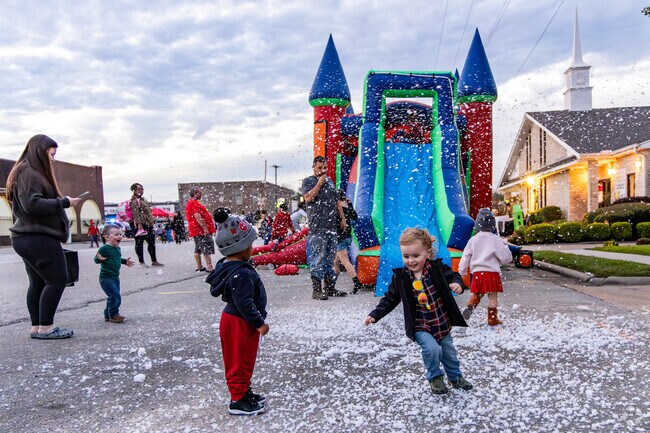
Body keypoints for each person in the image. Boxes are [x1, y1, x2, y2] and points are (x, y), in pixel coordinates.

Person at [364, 228, 473, 395]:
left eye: (416, 256)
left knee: (449, 353)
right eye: (406, 256)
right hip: (421, 325)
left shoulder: (437, 268)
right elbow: (390, 299)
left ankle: (455, 377)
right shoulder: (401, 277)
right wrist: (375, 314)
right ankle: (435, 377)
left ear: (428, 253)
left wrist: (457, 284)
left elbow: (454, 276)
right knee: (432, 350)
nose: (411, 261)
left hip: (442, 322)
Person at [6, 134, 81, 340]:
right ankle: (47, 327)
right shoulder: (29, 173)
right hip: (38, 237)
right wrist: (64, 202)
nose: (53, 159)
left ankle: (37, 326)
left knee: (38, 283)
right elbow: (33, 204)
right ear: (40, 151)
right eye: (51, 155)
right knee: (57, 279)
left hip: (27, 238)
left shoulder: (24, 172)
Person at [206, 208, 268, 416]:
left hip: (240, 322)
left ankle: (243, 391)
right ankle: (237, 400)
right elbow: (244, 303)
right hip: (239, 322)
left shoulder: (235, 267)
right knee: (238, 360)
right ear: (241, 247)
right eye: (250, 244)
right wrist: (259, 323)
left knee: (245, 359)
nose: (252, 248)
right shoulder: (239, 273)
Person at [302, 156, 347, 300]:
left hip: (331, 226)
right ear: (314, 167)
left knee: (329, 259)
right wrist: (319, 184)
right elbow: (308, 198)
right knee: (317, 258)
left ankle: (330, 288)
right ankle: (316, 290)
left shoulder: (330, 182)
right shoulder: (309, 181)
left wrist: (342, 217)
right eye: (319, 168)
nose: (322, 171)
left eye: (324, 168)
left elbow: (336, 201)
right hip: (317, 226)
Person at [458, 208, 513, 326]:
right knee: (492, 296)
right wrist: (506, 250)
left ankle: (470, 305)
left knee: (478, 293)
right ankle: (492, 319)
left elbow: (466, 256)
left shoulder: (473, 240)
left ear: (477, 225)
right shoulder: (496, 239)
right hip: (492, 273)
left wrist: (462, 271)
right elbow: (506, 258)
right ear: (492, 224)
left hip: (478, 273)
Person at [94, 225, 135, 323]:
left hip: (115, 277)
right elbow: (96, 259)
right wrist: (98, 258)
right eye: (116, 234)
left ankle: (107, 315)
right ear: (107, 237)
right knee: (115, 295)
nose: (120, 236)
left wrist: (125, 261)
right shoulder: (104, 249)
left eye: (120, 234)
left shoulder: (117, 248)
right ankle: (113, 314)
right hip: (106, 278)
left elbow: (117, 259)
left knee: (113, 296)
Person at [333, 189, 370, 294]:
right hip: (347, 237)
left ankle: (357, 282)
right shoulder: (347, 206)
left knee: (345, 261)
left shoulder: (336, 208)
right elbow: (355, 217)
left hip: (340, 238)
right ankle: (331, 284)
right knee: (336, 262)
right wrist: (350, 205)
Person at [129, 183, 163, 268]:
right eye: (139, 189)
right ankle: (141, 262)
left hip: (148, 224)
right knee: (139, 243)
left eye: (142, 189)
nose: (141, 190)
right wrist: (139, 223)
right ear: (134, 190)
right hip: (140, 225)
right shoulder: (134, 201)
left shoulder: (143, 200)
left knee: (151, 242)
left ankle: (154, 260)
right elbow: (135, 213)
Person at [185, 186, 216, 272]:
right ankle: (210, 267)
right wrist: (205, 228)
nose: (201, 194)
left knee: (198, 248)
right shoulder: (194, 203)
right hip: (199, 230)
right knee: (205, 248)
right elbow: (197, 215)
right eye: (199, 192)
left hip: (195, 230)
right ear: (195, 194)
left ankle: (199, 266)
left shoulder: (190, 203)